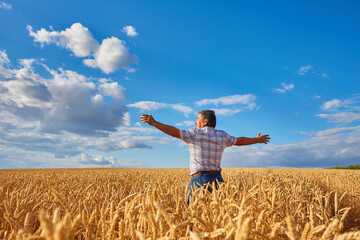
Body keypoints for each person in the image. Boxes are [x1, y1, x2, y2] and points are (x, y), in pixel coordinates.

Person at [141, 110, 270, 203]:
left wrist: (154, 123)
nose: (195, 121)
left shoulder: (195, 134)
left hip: (200, 180)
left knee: (194, 217)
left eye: (198, 119)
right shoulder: (222, 135)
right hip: (218, 180)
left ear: (205, 122)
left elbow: (173, 132)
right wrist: (257, 140)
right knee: (215, 218)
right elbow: (239, 141)